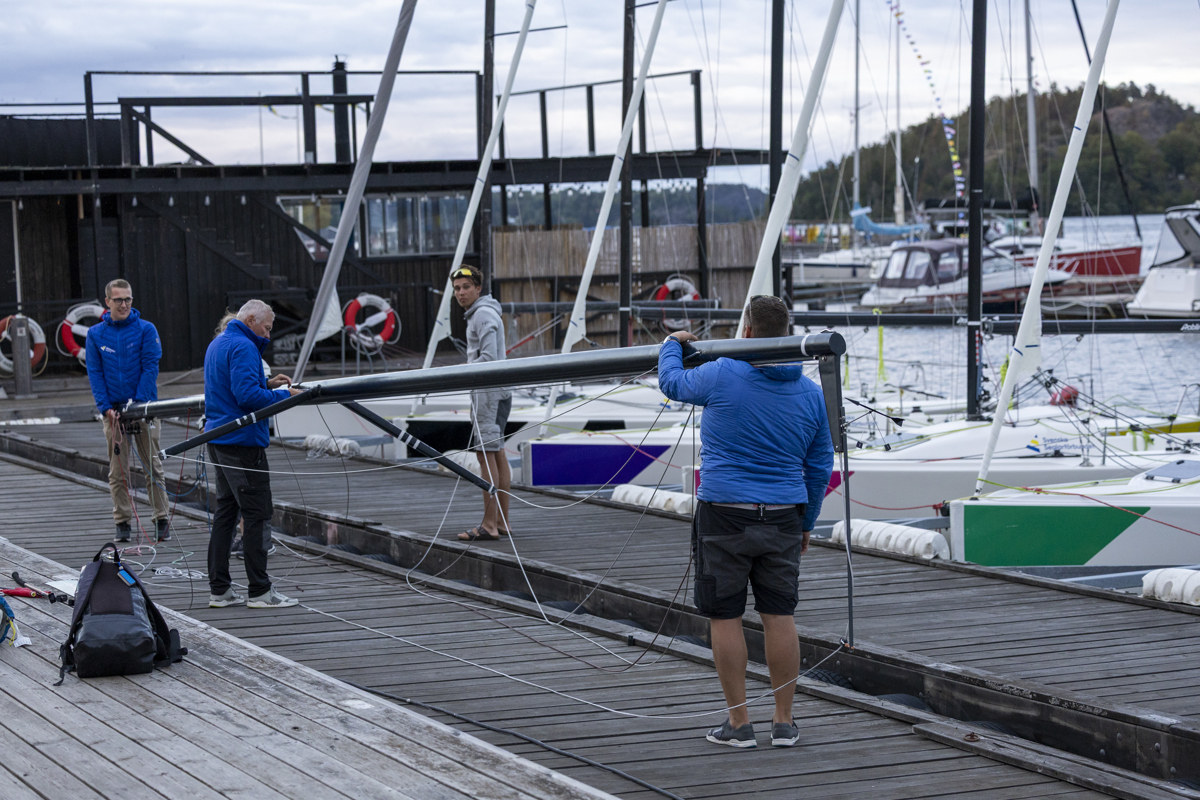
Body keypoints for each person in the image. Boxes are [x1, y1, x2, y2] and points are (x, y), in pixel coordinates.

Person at [657, 294, 834, 749]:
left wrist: (672, 344)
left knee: (725, 615)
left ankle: (739, 724)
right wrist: (808, 523)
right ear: (787, 334)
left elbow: (672, 383)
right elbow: (819, 466)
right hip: (784, 516)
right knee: (780, 615)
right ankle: (784, 721)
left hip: (725, 513)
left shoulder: (722, 372)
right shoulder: (811, 394)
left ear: (748, 332)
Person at [203, 299, 302, 609]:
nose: (268, 335)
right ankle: (260, 591)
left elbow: (230, 386)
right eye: (267, 328)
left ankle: (220, 590)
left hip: (218, 439)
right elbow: (246, 397)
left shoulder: (218, 343)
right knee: (257, 514)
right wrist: (283, 395)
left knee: (225, 514)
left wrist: (266, 383)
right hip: (242, 444)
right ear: (250, 320)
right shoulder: (245, 347)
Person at [85, 279, 171, 543]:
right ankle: (122, 521)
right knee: (117, 471)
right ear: (107, 302)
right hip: (113, 412)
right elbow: (95, 374)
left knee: (153, 467)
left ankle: (161, 519)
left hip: (143, 408)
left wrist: (138, 405)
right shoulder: (95, 334)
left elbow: (150, 367)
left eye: (128, 299)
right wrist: (105, 408)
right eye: (118, 300)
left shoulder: (146, 329)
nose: (124, 304)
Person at [450, 265, 513, 542]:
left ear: (478, 288)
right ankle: (502, 522)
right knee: (497, 454)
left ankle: (489, 525)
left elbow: (488, 358)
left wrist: (459, 373)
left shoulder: (483, 315)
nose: (461, 292)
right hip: (495, 391)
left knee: (485, 454)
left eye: (466, 287)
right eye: (457, 289)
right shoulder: (481, 313)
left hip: (489, 393)